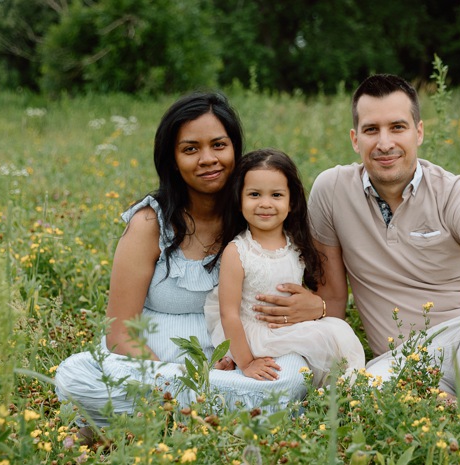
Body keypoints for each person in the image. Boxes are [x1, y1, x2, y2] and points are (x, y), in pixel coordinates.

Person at [256, 74, 460, 433]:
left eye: (397, 127)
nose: (385, 142)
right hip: (397, 360)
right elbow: (334, 296)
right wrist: (313, 314)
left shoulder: (453, 193)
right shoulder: (332, 191)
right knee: (359, 389)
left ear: (418, 132)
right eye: (371, 130)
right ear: (355, 139)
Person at [54, 92, 314, 430]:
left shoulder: (258, 213)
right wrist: (170, 379)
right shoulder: (149, 224)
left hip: (242, 364)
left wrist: (316, 307)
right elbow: (120, 332)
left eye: (219, 145)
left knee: (293, 378)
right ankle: (213, 409)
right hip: (157, 367)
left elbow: (302, 285)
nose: (208, 158)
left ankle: (163, 416)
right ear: (172, 159)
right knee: (75, 375)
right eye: (191, 149)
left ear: (235, 149)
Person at [204, 149, 364, 387]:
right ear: (239, 200)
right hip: (255, 332)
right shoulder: (237, 252)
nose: (265, 204)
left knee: (339, 333)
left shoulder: (296, 245)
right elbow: (229, 314)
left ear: (291, 203)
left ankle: (344, 394)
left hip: (289, 329)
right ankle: (239, 363)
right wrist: (247, 362)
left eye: (276, 195)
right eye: (255, 194)